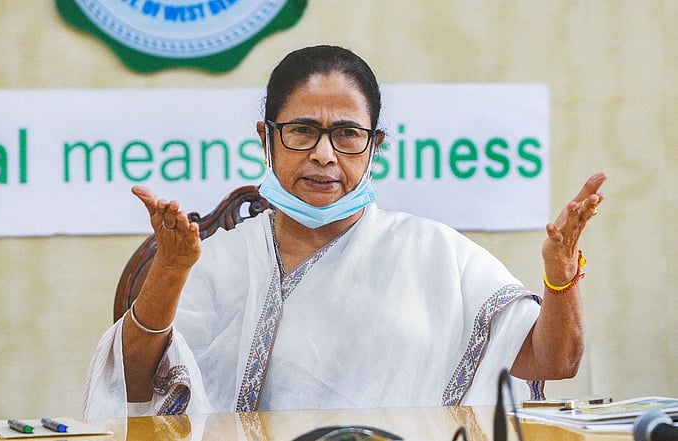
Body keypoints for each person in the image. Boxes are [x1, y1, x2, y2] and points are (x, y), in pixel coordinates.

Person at [82, 45, 606, 419]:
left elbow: (554, 361)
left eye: (347, 134)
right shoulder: (221, 260)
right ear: (267, 138)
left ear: (375, 144)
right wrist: (171, 270)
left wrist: (560, 275)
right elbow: (132, 384)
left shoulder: (436, 253)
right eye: (303, 130)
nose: (324, 155)